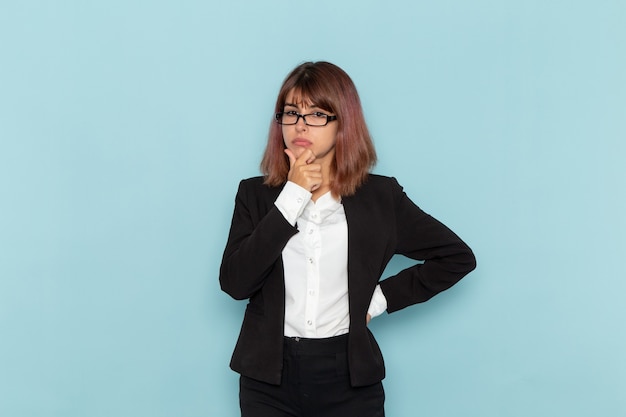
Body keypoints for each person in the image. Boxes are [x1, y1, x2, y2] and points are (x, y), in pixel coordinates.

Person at [219, 61, 476, 417]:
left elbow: (457, 257)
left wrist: (379, 299)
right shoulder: (255, 195)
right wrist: (292, 196)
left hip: (349, 379)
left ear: (344, 122)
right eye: (291, 113)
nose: (301, 125)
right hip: (268, 380)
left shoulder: (381, 197)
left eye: (318, 114)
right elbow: (235, 283)